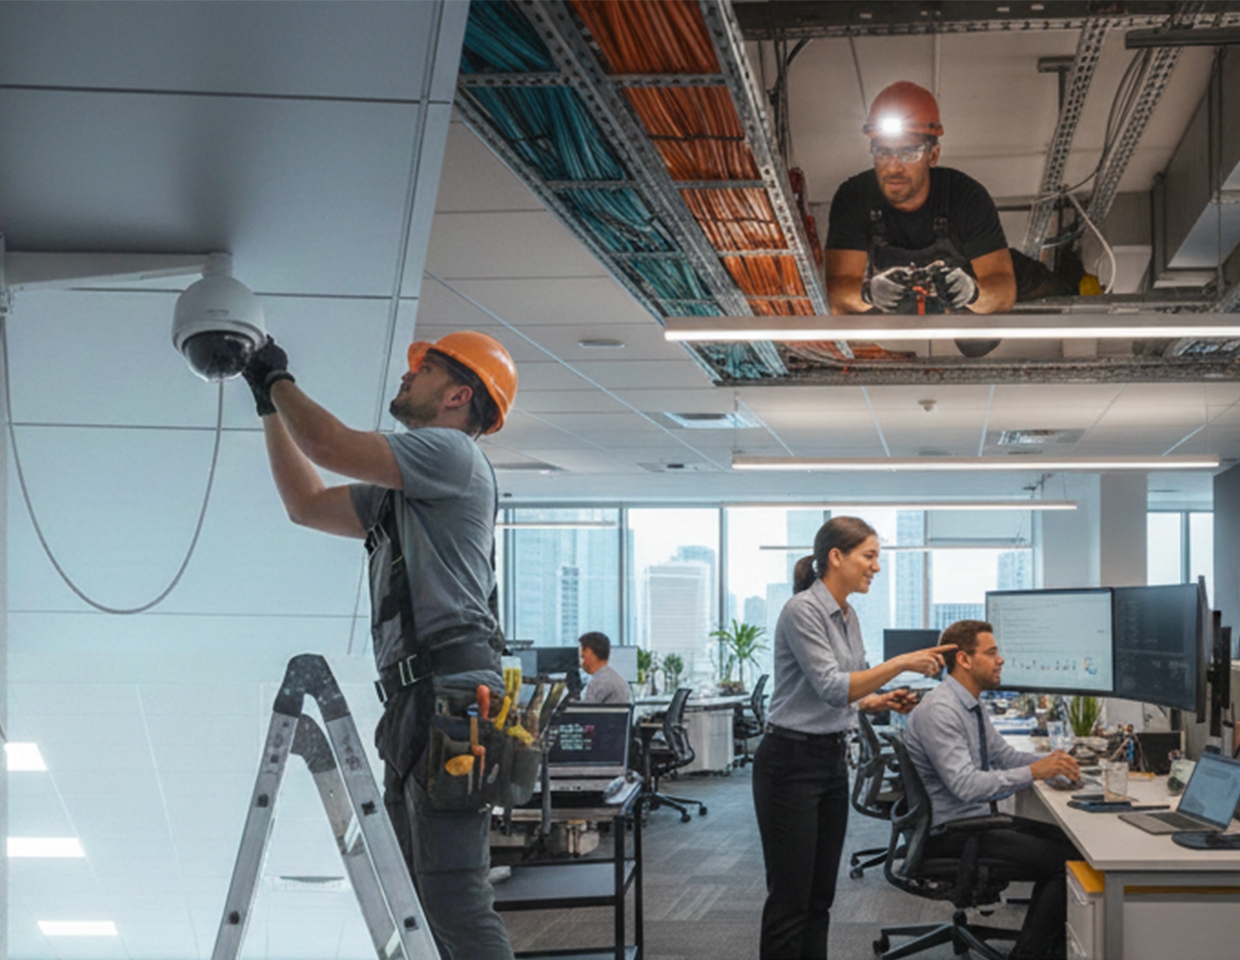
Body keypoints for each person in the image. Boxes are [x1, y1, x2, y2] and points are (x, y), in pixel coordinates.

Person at [241, 331, 519, 960]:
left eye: (422, 369)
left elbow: (330, 445)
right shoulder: (403, 489)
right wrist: (267, 405)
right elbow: (306, 504)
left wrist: (275, 377)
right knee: (412, 900)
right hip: (418, 702)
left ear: (458, 395)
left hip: (451, 699)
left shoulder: (450, 454)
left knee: (451, 900)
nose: (405, 376)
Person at [751, 516, 956, 959]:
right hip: (789, 762)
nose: (876, 567)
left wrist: (878, 701)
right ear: (836, 557)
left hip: (828, 761)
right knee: (790, 899)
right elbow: (831, 686)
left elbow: (845, 689)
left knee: (820, 897)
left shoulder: (848, 614)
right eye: (869, 556)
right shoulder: (802, 610)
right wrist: (901, 663)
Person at [902, 619, 1082, 960]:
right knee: (1066, 862)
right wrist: (1034, 771)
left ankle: (1053, 949)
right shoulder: (941, 710)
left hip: (974, 820)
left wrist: (1053, 764)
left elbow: (1004, 756)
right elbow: (967, 785)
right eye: (992, 652)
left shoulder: (970, 703)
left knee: (1070, 843)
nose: (1000, 660)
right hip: (952, 832)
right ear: (964, 660)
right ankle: (1030, 954)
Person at [825, 81, 1016, 325]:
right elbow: (836, 294)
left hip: (959, 329)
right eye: (883, 153)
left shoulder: (966, 197)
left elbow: (1004, 291)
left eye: (909, 153)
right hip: (888, 333)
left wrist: (973, 292)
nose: (893, 167)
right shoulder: (855, 197)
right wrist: (868, 293)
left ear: (933, 155)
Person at [578, 631, 631, 705]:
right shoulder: (614, 677)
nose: (581, 656)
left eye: (583, 651)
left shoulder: (598, 682)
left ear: (591, 653)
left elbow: (585, 714)